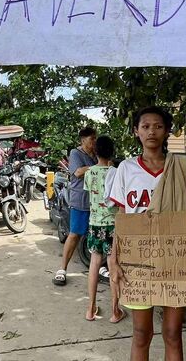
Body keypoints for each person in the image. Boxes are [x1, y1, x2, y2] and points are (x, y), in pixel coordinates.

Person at [107, 106, 186, 361]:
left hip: (175, 259)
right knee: (141, 333)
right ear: (136, 132)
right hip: (136, 262)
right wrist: (113, 259)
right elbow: (122, 221)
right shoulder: (126, 169)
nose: (152, 131)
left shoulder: (180, 168)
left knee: (173, 333)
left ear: (166, 132)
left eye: (158, 126)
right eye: (145, 126)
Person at [84, 135, 124, 323]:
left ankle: (90, 309)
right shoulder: (116, 172)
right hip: (113, 225)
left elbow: (90, 195)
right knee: (112, 265)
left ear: (95, 151)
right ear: (112, 151)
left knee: (94, 265)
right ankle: (115, 312)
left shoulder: (89, 172)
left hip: (94, 223)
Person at [54, 127, 97, 286]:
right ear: (83, 140)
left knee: (97, 235)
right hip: (80, 201)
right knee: (74, 235)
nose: (94, 141)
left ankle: (98, 268)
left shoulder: (95, 155)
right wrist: (99, 166)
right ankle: (62, 269)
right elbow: (78, 172)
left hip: (96, 202)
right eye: (92, 138)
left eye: (95, 138)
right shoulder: (76, 153)